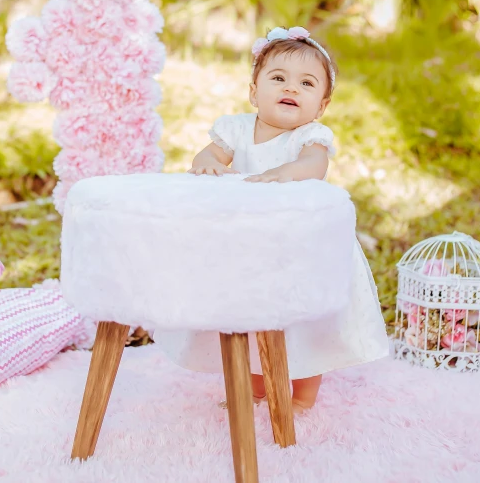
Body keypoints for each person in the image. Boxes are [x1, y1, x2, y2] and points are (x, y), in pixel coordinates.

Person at [155, 26, 389, 414]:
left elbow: (315, 165)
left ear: (322, 105)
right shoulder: (236, 129)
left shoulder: (308, 138)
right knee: (248, 317)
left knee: (303, 326)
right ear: (253, 92)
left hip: (301, 248)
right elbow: (204, 157)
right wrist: (211, 167)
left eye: (306, 83)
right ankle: (254, 388)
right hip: (249, 244)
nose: (291, 88)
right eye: (278, 78)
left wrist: (287, 172)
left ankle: (301, 397)